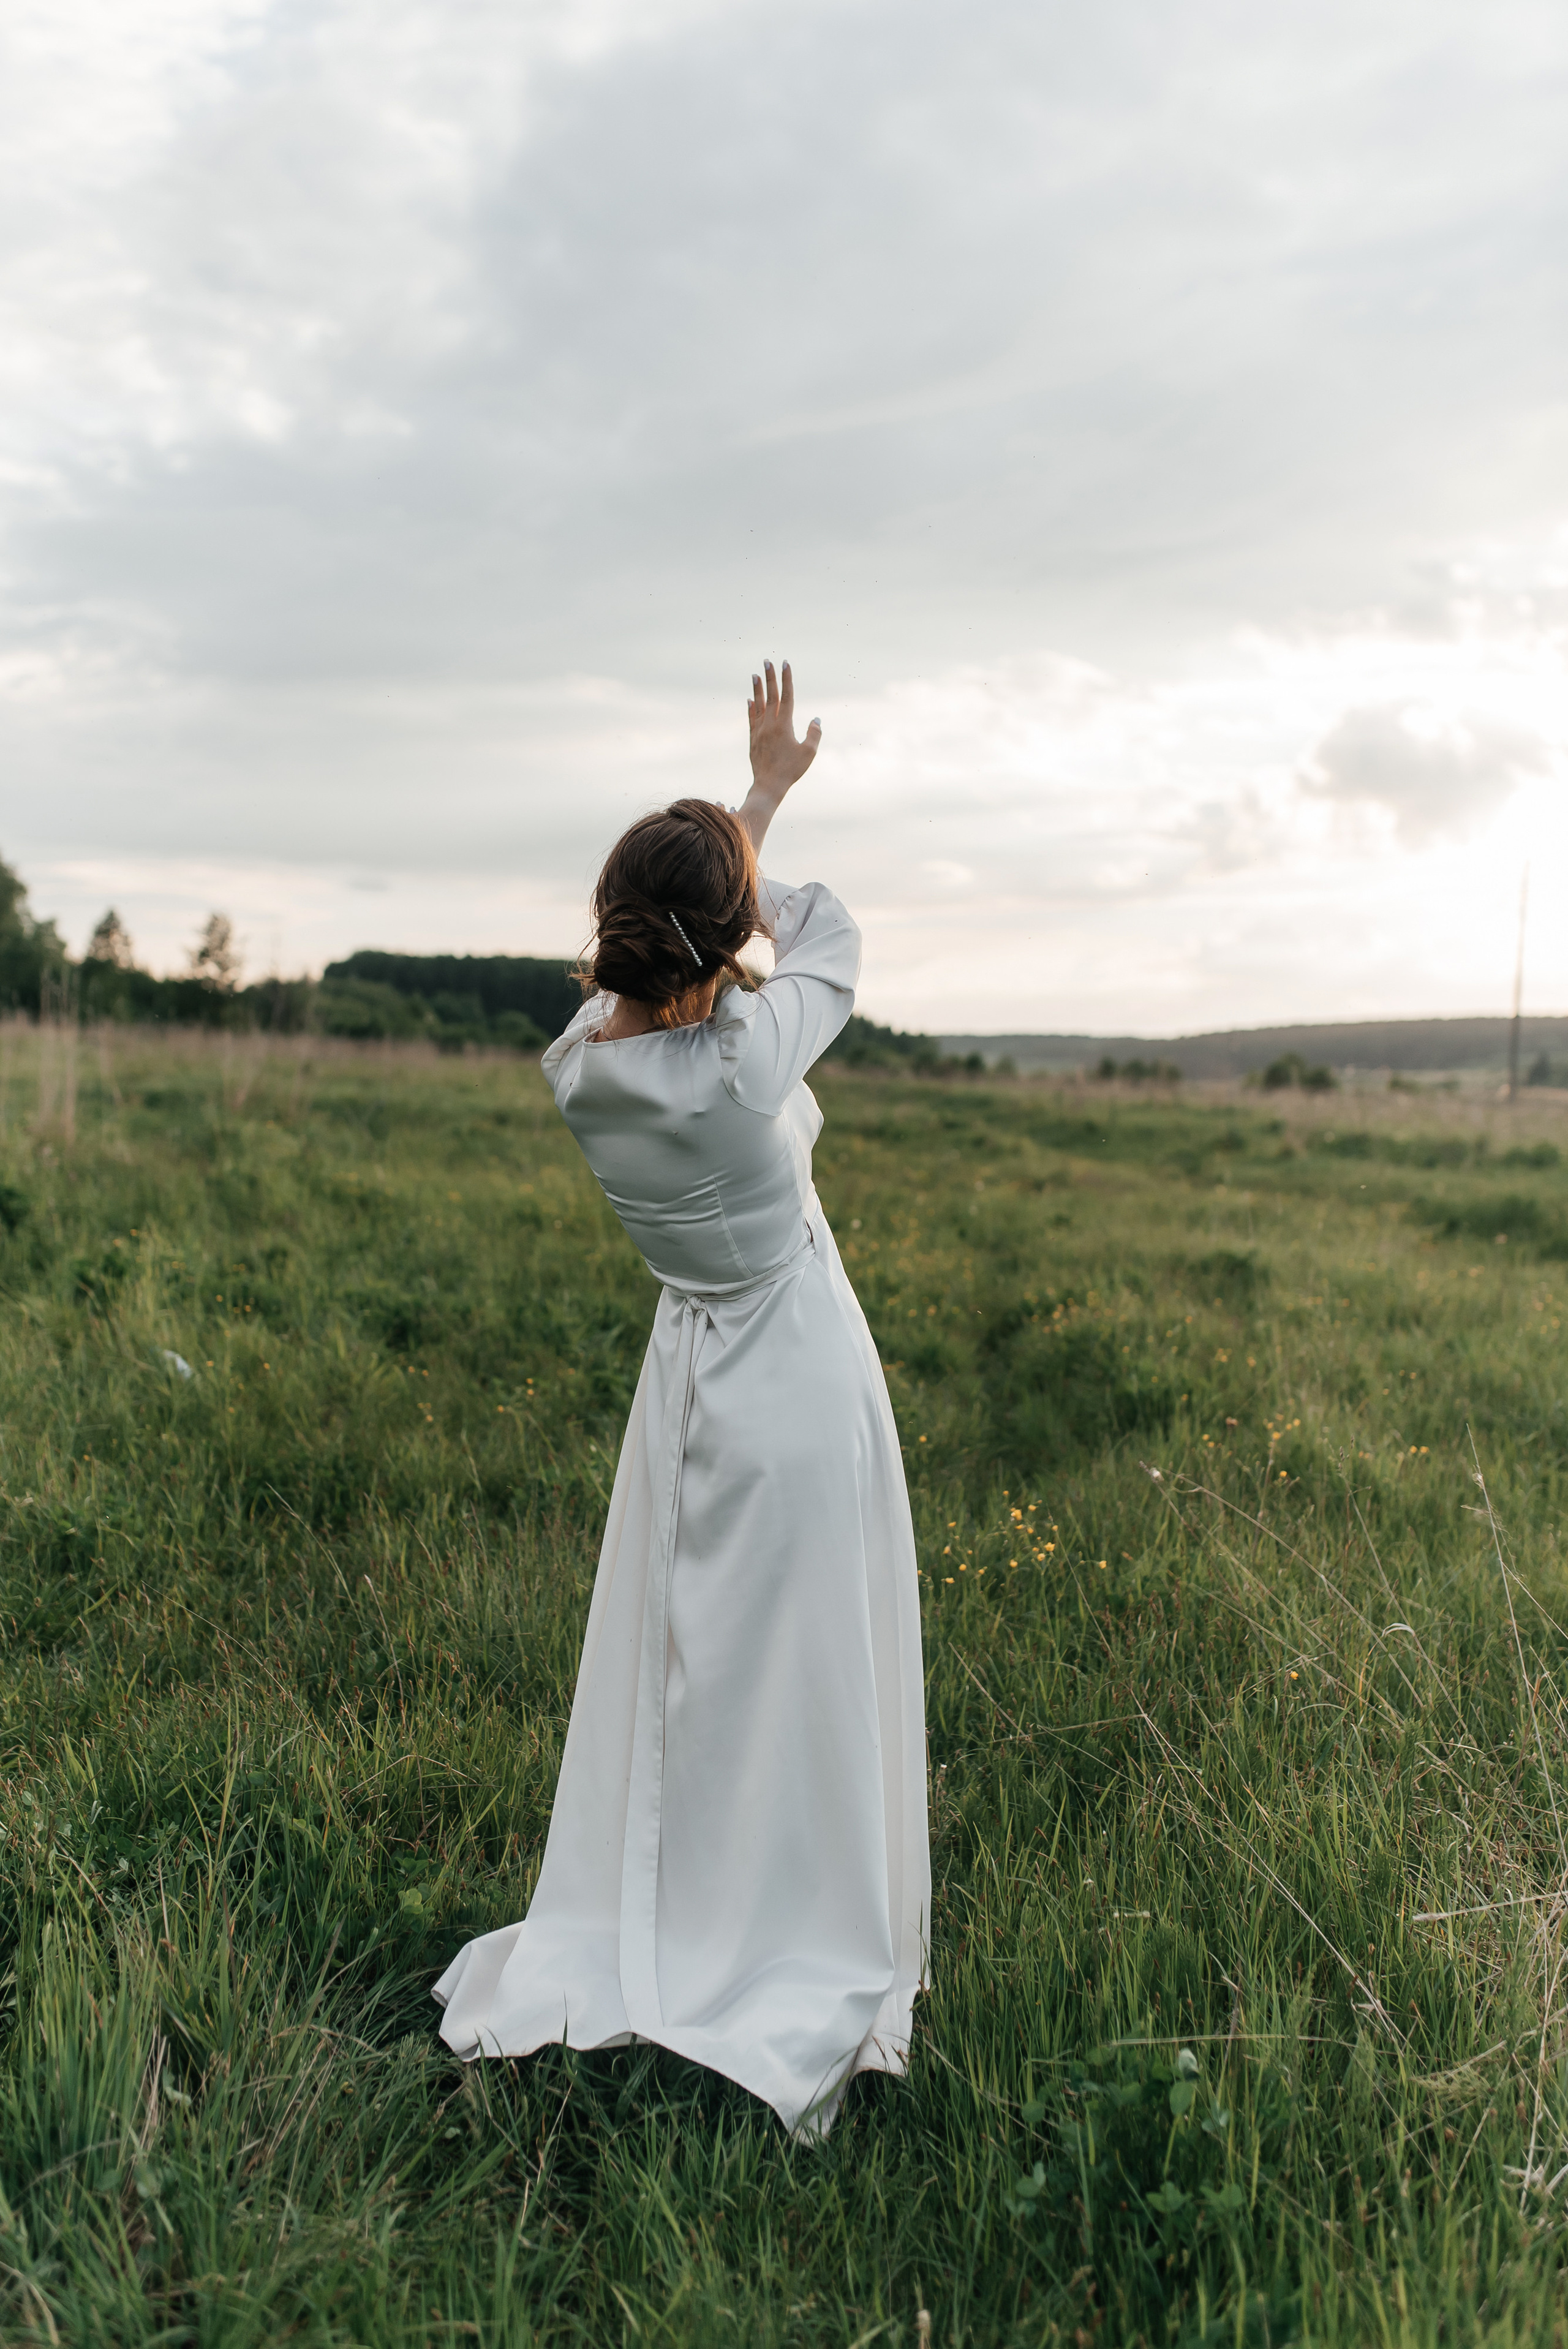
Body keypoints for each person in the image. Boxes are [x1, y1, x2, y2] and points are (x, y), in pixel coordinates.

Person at [434, 661, 930, 2136]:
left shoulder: (580, 1065)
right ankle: (782, 1936)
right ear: (721, 950)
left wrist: (751, 805)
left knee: (689, 1674)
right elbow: (828, 933)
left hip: (688, 1375)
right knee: (797, 1667)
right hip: (793, 1369)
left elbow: (675, 956)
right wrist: (765, 853)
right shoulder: (743, 1061)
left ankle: (684, 1906)